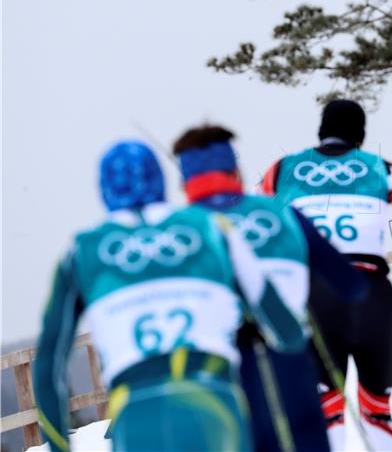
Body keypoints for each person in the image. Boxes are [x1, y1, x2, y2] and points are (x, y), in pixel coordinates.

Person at [33, 141, 307, 452]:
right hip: (213, 400)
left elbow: (48, 364)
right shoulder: (212, 227)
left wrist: (58, 445)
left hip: (137, 413)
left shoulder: (83, 249)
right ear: (161, 181)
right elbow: (287, 331)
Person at [261, 100, 392, 451]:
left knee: (328, 411)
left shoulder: (283, 169)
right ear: (361, 135)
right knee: (376, 412)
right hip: (370, 295)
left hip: (315, 296)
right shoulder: (378, 167)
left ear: (321, 129)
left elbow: (252, 224)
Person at [172, 124, 367, 452]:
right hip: (293, 364)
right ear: (235, 169)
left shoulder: (177, 232)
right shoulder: (282, 212)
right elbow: (350, 285)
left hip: (220, 382)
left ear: (185, 180)